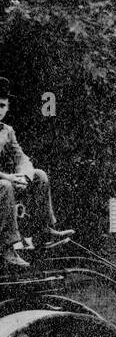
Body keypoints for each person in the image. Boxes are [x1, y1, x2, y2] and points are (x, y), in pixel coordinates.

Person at [0, 77, 74, 269]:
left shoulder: (7, 131)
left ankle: (43, 232)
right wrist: (7, 176)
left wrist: (24, 176)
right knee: (6, 185)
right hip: (2, 183)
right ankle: (7, 247)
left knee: (39, 175)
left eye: (2, 106)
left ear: (7, 108)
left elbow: (22, 158)